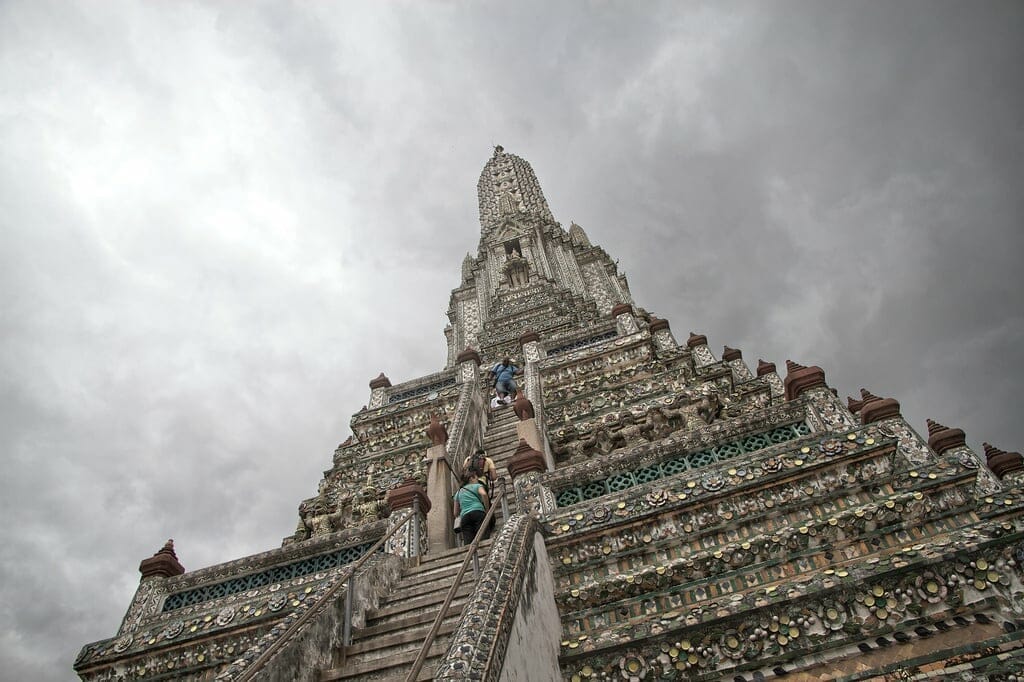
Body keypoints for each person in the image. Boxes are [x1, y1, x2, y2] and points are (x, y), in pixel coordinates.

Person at [453, 471, 490, 545]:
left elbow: (455, 513)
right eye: (476, 478)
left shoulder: (458, 492)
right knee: (483, 537)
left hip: (465, 517)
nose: (477, 480)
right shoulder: (477, 486)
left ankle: (471, 555)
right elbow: (484, 494)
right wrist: (487, 509)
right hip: (478, 513)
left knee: (468, 542)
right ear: (471, 479)